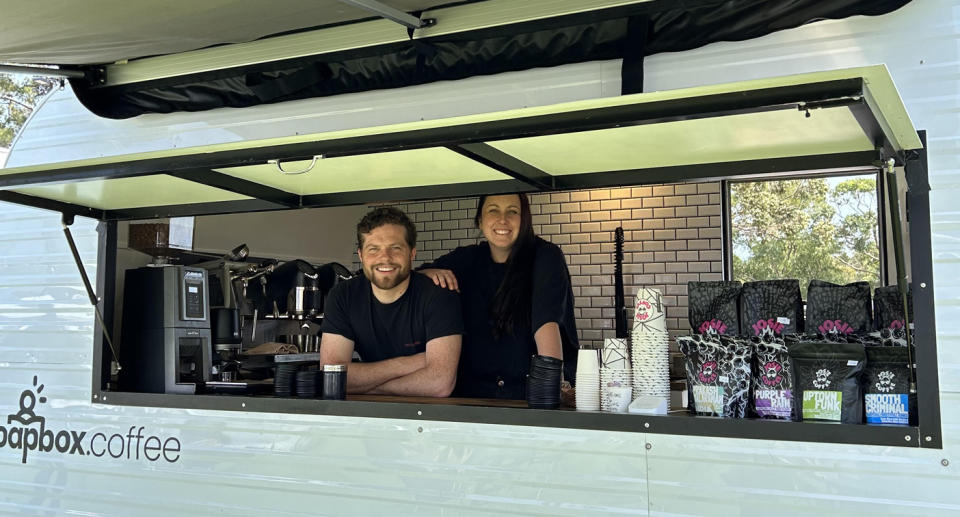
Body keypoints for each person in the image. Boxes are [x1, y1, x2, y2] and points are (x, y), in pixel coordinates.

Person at [419, 193, 578, 399]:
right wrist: (429, 273)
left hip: (527, 396)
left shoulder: (545, 256)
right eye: (493, 210)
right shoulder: (466, 260)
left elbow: (545, 324)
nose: (503, 219)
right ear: (480, 220)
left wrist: (547, 396)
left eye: (513, 211)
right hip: (472, 398)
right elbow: (412, 277)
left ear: (525, 220)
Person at [319, 207, 462, 397]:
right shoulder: (343, 296)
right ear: (361, 255)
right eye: (374, 249)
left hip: (431, 418)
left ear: (412, 253)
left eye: (395, 248)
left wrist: (370, 387)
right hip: (370, 417)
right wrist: (409, 363)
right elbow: (332, 376)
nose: (385, 258)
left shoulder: (438, 296)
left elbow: (439, 383)